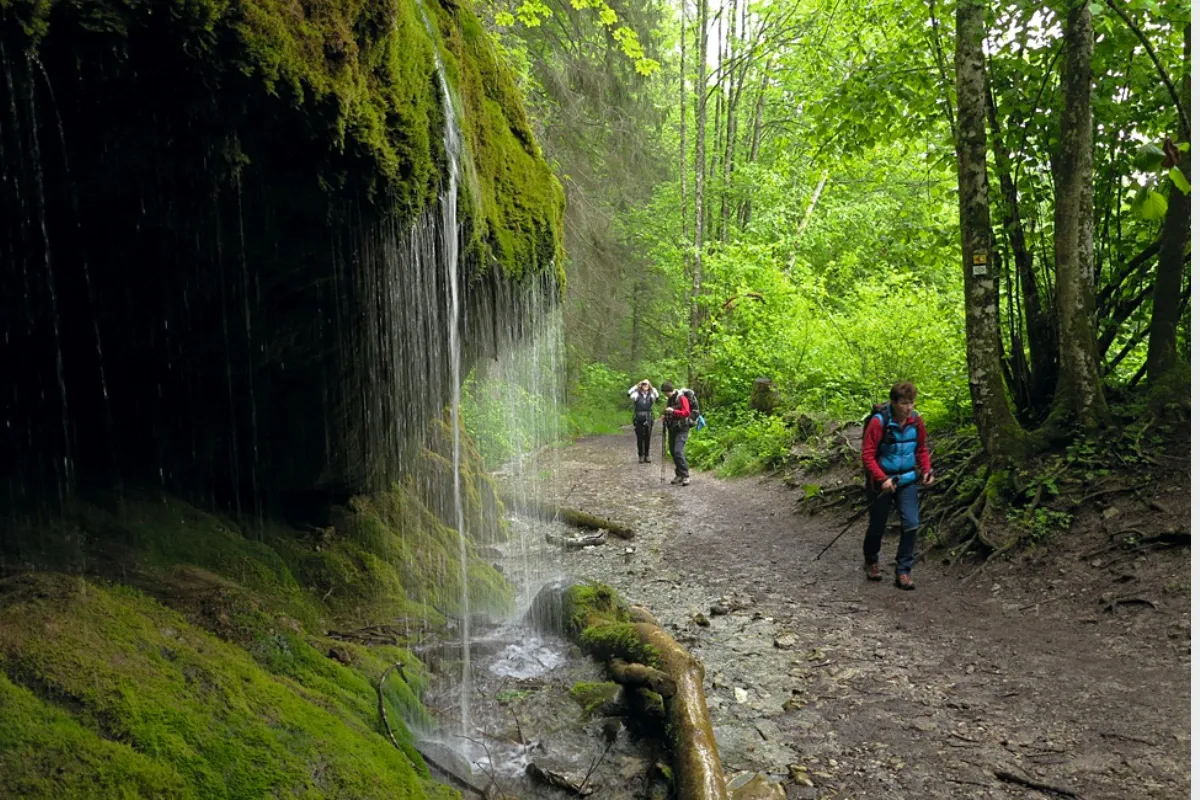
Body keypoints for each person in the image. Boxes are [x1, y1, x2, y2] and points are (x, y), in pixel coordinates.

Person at [861, 381, 934, 590]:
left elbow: (921, 449)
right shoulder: (879, 422)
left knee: (911, 523)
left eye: (911, 403)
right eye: (903, 403)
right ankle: (871, 560)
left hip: (907, 481)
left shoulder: (916, 421)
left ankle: (903, 571)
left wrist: (927, 470)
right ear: (894, 402)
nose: (908, 408)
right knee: (878, 525)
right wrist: (881, 478)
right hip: (881, 482)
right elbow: (867, 455)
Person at [660, 382, 691, 486]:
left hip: (682, 428)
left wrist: (673, 411)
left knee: (678, 451)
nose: (665, 395)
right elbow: (671, 412)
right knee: (673, 452)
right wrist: (666, 416)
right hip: (673, 428)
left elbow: (686, 412)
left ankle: (685, 475)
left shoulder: (681, 398)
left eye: (665, 393)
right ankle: (679, 475)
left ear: (668, 391)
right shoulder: (670, 399)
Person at [628, 379, 659, 463]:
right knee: (640, 437)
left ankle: (647, 455)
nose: (645, 386)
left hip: (648, 417)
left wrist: (650, 385)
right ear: (641, 386)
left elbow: (657, 395)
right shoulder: (636, 394)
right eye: (643, 384)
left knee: (647, 437)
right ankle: (641, 455)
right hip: (638, 417)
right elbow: (629, 393)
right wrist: (637, 385)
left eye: (646, 385)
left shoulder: (651, 395)